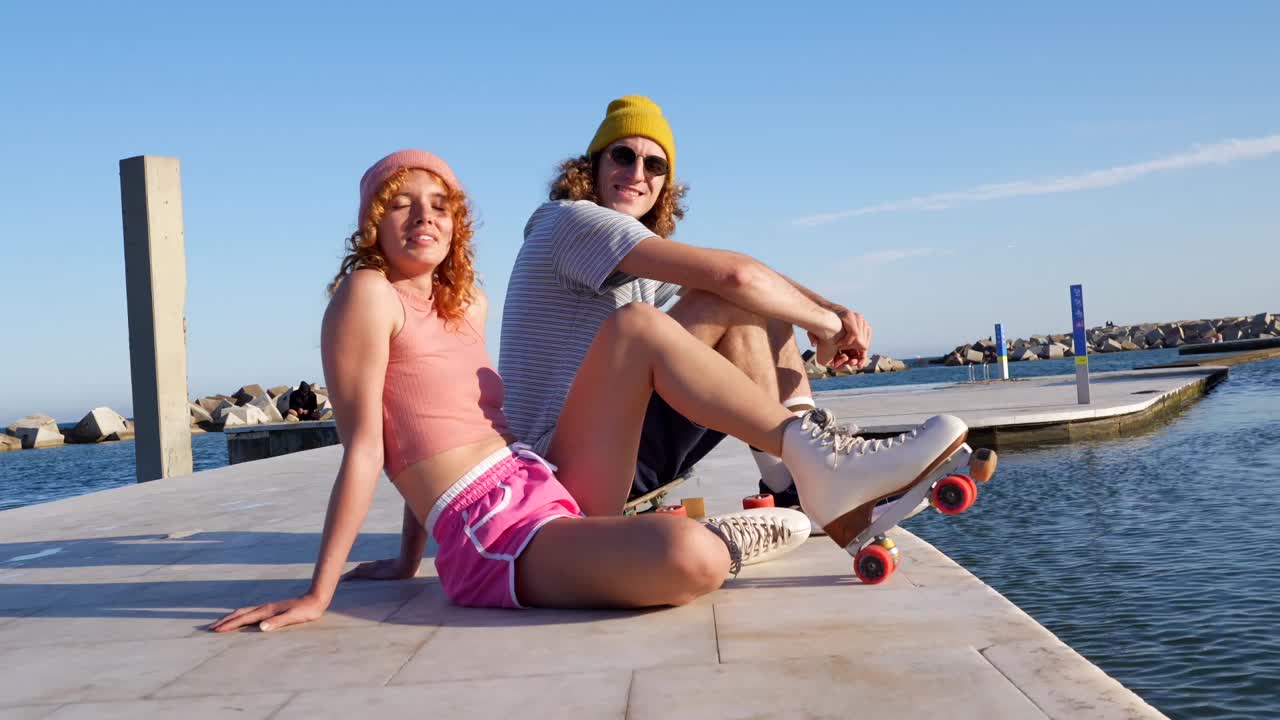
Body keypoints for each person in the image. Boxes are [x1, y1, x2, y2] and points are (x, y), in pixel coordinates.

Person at [210, 150, 969, 631]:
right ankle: (746, 532)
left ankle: (816, 466)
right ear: (373, 220)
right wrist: (321, 592)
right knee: (692, 563)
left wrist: (410, 555)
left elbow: (425, 420)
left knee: (637, 325)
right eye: (401, 204)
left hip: (541, 482)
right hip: (491, 538)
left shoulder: (459, 303)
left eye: (439, 205)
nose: (423, 219)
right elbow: (371, 445)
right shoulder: (365, 295)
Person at [500, 95, 875, 519]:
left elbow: (755, 282)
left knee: (760, 300)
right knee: (728, 294)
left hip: (610, 454)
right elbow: (733, 277)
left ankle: (803, 476)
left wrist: (833, 310)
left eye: (654, 165)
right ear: (593, 167)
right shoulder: (569, 221)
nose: (637, 174)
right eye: (623, 156)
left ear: (665, 182)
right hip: (558, 474)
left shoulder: (631, 256)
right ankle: (812, 469)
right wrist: (828, 325)